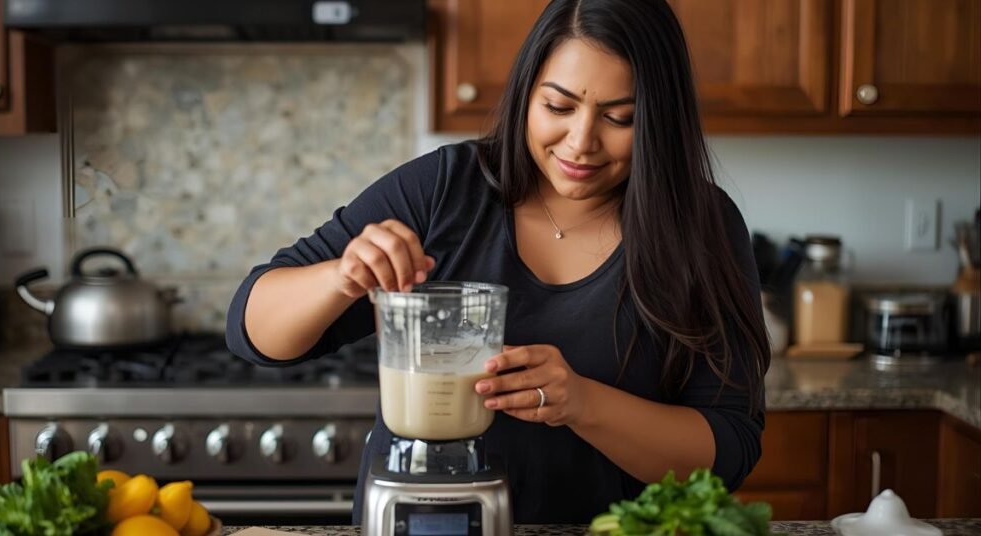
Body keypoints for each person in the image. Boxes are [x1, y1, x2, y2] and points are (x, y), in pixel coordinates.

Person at [226, 0, 770, 525]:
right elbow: (250, 331)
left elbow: (728, 452)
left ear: (659, 120)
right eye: (558, 107)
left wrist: (580, 402)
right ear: (526, 94)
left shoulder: (700, 226)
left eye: (619, 118)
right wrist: (340, 275)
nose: (581, 142)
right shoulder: (444, 189)